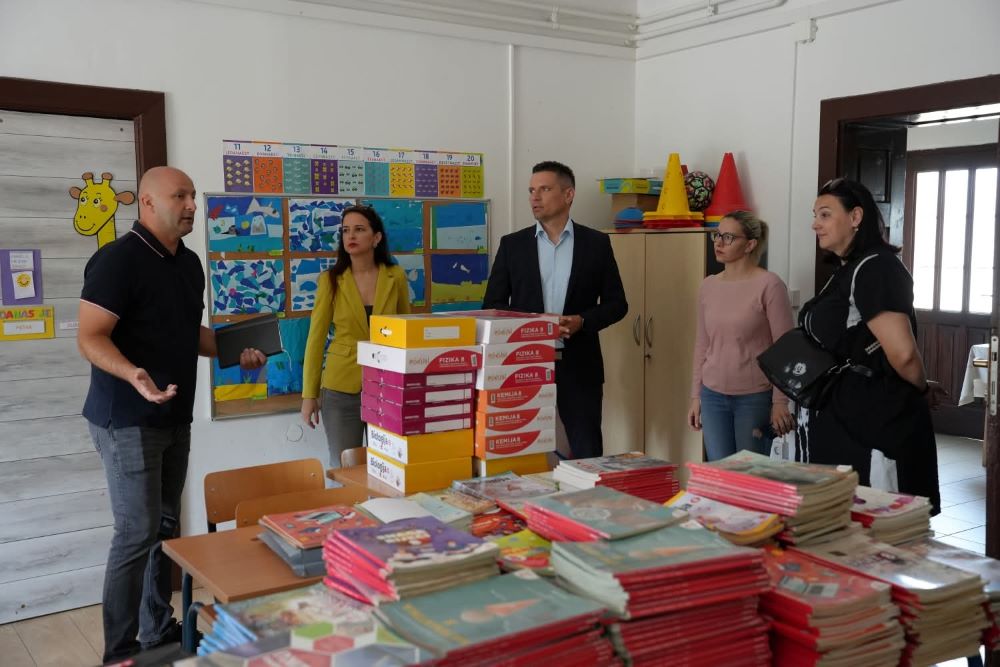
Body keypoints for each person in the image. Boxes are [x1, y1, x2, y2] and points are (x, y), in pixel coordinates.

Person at [77, 166, 266, 663]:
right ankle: (119, 652)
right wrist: (133, 373)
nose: (191, 205)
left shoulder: (189, 263)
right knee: (136, 531)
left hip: (173, 416)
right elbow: (90, 336)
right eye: (179, 196)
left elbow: (187, 332)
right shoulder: (116, 260)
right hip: (126, 418)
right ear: (146, 202)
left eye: (193, 196)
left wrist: (235, 351)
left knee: (163, 528)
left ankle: (157, 630)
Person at [797, 177, 940, 512]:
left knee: (879, 524)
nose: (815, 224)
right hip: (843, 422)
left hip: (874, 425)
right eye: (815, 215)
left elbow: (903, 355)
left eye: (825, 214)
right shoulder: (846, 270)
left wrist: (921, 389)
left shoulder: (877, 268)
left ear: (856, 216)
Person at [482, 160, 628, 459]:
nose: (534, 197)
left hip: (579, 364)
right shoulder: (513, 245)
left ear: (568, 194)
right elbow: (492, 306)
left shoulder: (596, 244)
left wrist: (582, 321)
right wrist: (532, 324)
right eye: (531, 191)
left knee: (587, 450)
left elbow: (617, 304)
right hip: (523, 362)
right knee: (525, 450)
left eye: (544, 189)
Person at [301, 204, 410, 466]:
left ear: (376, 237)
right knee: (344, 466)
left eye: (359, 229)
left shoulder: (395, 276)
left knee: (386, 465)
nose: (350, 236)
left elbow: (407, 332)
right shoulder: (330, 280)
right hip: (341, 386)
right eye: (345, 230)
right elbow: (316, 339)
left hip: (386, 384)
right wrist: (309, 395)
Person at [687, 211, 794, 460]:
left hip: (754, 397)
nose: (718, 242)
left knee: (750, 473)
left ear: (750, 244)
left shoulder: (770, 285)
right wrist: (695, 395)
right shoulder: (708, 285)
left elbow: (785, 348)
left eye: (728, 237)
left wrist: (780, 401)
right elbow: (702, 344)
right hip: (712, 395)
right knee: (720, 472)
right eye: (717, 235)